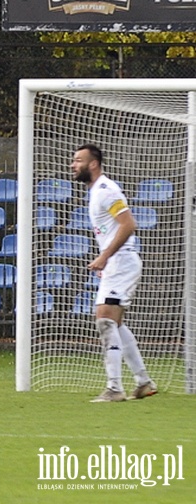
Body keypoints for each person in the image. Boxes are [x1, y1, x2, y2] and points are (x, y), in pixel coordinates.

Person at [71, 144, 157, 402]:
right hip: (117, 263)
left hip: (121, 261)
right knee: (114, 323)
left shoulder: (106, 190)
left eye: (78, 160)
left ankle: (115, 388)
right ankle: (143, 382)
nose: (73, 165)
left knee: (105, 319)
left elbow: (129, 223)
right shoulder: (96, 191)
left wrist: (105, 257)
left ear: (93, 164)